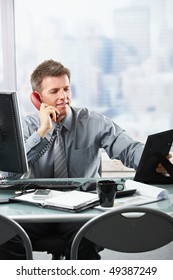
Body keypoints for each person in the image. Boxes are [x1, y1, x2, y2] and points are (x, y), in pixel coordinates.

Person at [0, 59, 169, 259]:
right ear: (37, 97)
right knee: (7, 238)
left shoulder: (93, 122)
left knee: (85, 243)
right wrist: (42, 132)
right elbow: (8, 173)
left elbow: (128, 149)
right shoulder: (25, 127)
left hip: (81, 210)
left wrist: (153, 160)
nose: (63, 97)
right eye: (54, 92)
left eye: (66, 89)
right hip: (35, 210)